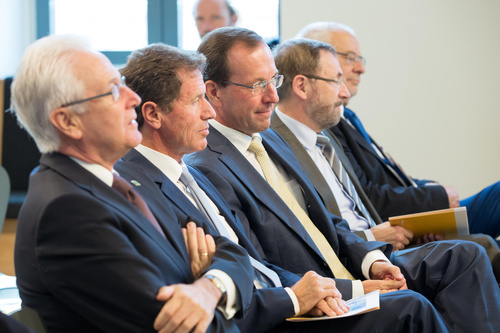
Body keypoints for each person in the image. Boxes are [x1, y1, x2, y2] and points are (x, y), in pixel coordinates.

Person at [185, 26, 500, 332]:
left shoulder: (268, 137)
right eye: (257, 85)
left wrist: (373, 262)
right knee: (411, 305)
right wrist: (356, 289)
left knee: (464, 256)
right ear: (213, 91)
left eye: (273, 81)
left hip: (349, 266)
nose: (272, 97)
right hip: (317, 298)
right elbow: (262, 267)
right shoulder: (208, 166)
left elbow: (328, 219)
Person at [11, 34, 255, 333]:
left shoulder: (119, 182)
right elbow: (177, 326)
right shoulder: (67, 211)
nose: (134, 99)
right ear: (68, 122)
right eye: (113, 91)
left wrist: (210, 286)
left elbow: (230, 251)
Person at [114, 43, 362, 333]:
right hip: (260, 319)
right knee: (409, 307)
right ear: (153, 115)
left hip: (282, 302)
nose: (209, 112)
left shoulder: (193, 175)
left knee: (409, 300)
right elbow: (201, 287)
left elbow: (246, 260)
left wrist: (314, 291)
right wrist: (294, 298)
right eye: (196, 101)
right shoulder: (136, 189)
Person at [270, 37, 500, 281]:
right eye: (336, 80)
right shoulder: (274, 147)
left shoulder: (325, 135)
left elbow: (363, 203)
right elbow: (304, 239)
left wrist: (406, 233)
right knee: (477, 249)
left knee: (477, 247)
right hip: (358, 260)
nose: (345, 92)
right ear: (302, 87)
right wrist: (371, 238)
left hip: (386, 243)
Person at [296, 22, 500, 240]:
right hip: (393, 230)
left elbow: (387, 175)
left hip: (416, 217)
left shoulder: (350, 117)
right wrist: (435, 197)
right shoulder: (325, 123)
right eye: (350, 58)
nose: (360, 68)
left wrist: (427, 187)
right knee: (482, 246)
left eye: (359, 59)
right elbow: (365, 196)